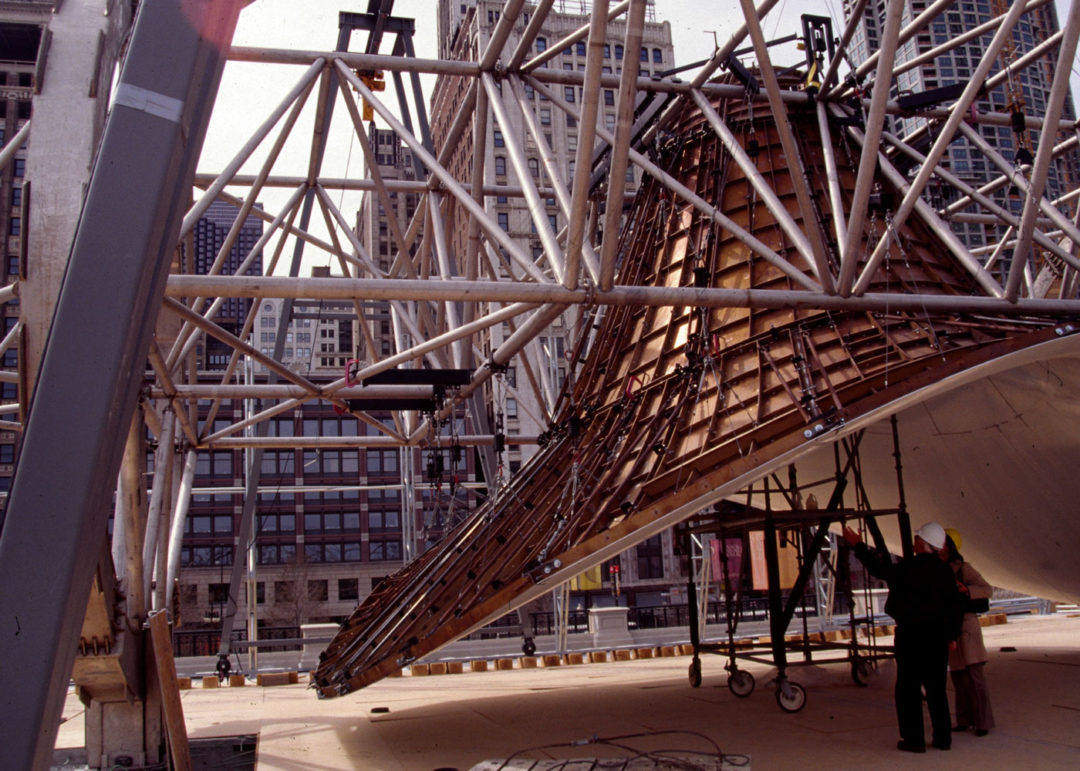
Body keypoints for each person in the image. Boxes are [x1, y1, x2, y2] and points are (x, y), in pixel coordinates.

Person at [843, 521, 963, 753]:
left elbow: (879, 569)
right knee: (937, 689)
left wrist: (859, 546)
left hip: (911, 635)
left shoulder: (908, 568)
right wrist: (952, 635)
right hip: (938, 637)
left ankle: (914, 740)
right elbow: (955, 606)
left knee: (908, 688)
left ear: (921, 543)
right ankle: (943, 738)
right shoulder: (946, 572)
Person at [944, 529, 995, 737]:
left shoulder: (963, 569)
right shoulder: (939, 569)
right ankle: (964, 719)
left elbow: (987, 589)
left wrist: (967, 590)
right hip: (952, 627)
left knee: (975, 675)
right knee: (958, 676)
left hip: (967, 626)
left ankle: (983, 722)